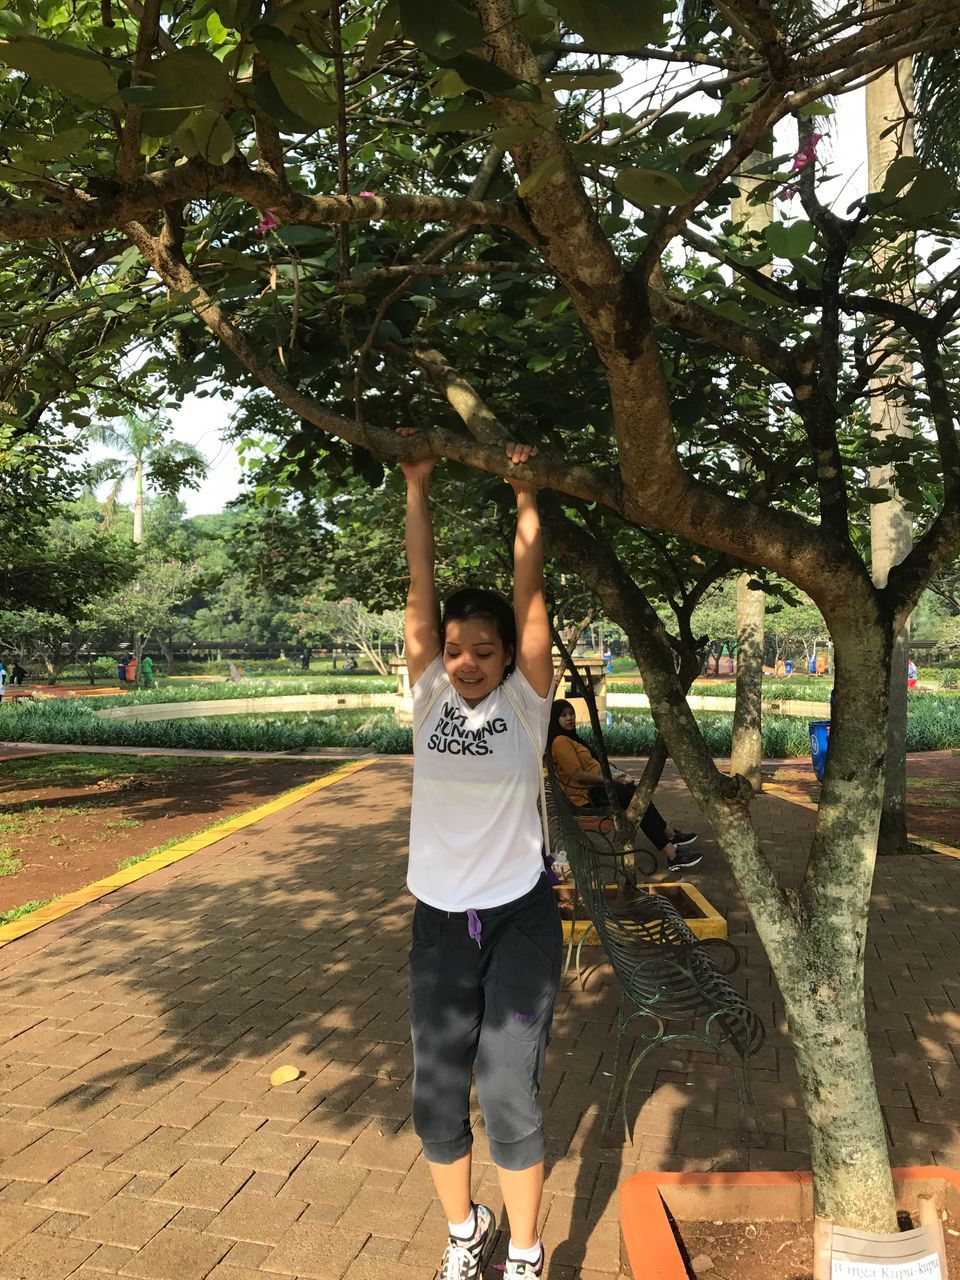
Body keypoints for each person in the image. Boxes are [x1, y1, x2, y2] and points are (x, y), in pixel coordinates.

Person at [402, 437, 559, 1280]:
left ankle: (527, 1254)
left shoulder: (527, 709)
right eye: (456, 650)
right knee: (435, 1095)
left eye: (484, 652)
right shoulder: (427, 698)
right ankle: (468, 1230)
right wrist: (416, 485)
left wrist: (526, 495)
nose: (465, 662)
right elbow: (420, 602)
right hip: (439, 922)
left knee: (505, 1089)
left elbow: (531, 602)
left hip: (519, 919)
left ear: (507, 660)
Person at [547, 700, 701, 872]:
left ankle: (671, 839)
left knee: (637, 797)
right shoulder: (560, 741)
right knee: (637, 800)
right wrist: (608, 780)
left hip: (595, 789)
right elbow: (577, 775)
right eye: (563, 715)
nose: (569, 718)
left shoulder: (570, 738)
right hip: (586, 796)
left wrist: (612, 776)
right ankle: (672, 852)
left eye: (571, 713)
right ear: (555, 719)